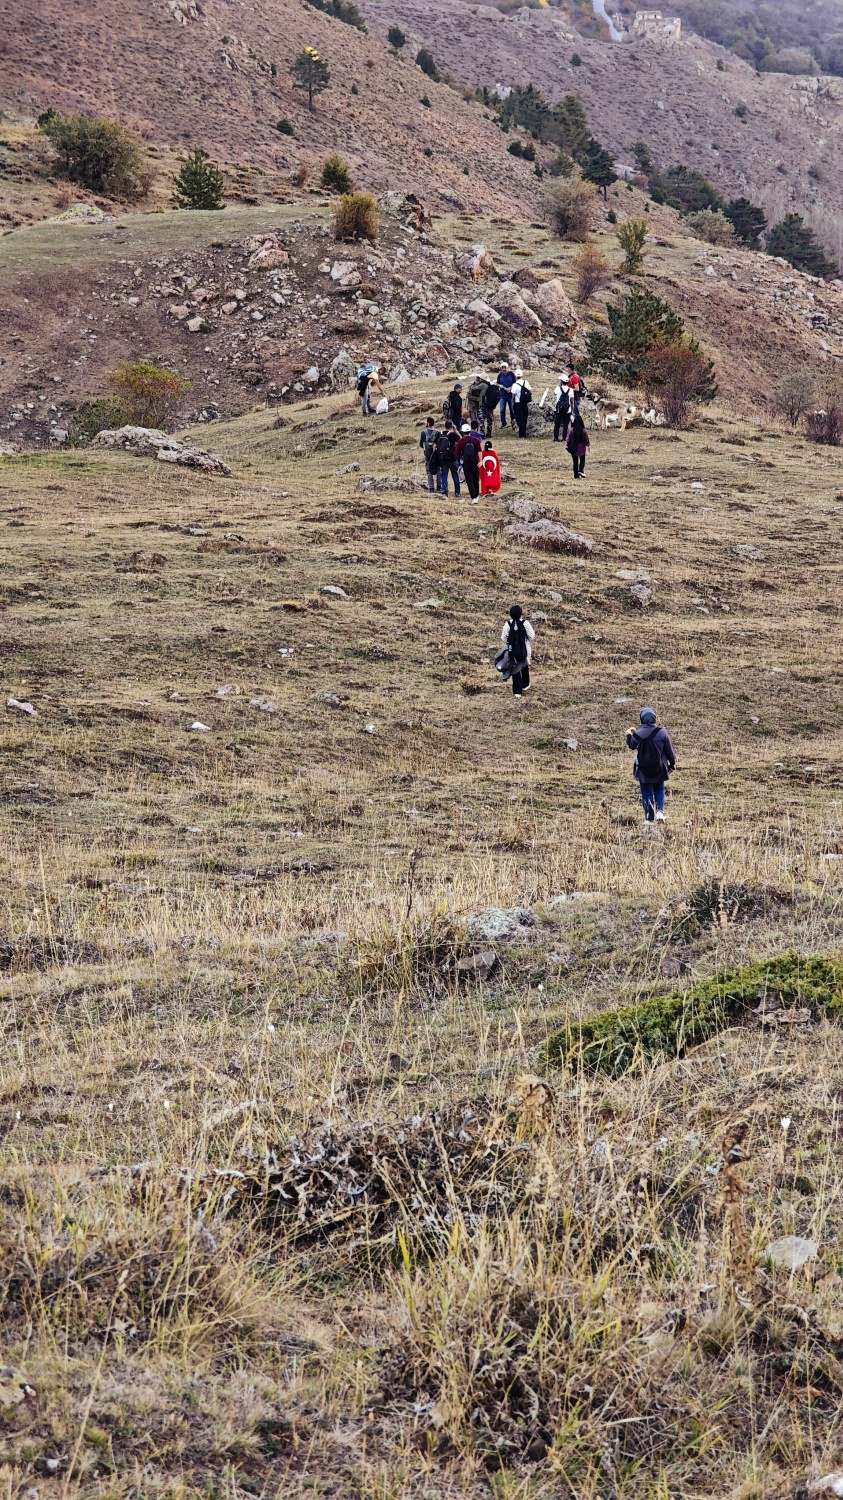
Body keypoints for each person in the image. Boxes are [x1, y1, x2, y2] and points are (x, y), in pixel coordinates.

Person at [626, 707, 676, 824]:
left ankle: (649, 819)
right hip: (659, 769)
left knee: (647, 793)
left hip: (643, 770)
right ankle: (659, 813)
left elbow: (632, 745)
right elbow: (670, 752)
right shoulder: (662, 732)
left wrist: (629, 735)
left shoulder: (637, 734)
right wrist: (672, 765)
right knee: (659, 788)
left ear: (642, 719)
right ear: (654, 718)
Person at [500, 604, 535, 697]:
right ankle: (525, 684)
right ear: (520, 614)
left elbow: (503, 638)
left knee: (515, 669)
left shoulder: (508, 624)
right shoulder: (525, 623)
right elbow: (532, 636)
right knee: (524, 666)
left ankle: (517, 691)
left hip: (512, 651)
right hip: (525, 649)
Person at [456, 422, 482, 502]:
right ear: (470, 431)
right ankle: (477, 495)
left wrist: (459, 463)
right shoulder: (476, 440)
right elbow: (479, 451)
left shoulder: (460, 442)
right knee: (476, 479)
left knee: (469, 480)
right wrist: (480, 461)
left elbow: (457, 453)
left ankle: (473, 497)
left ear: (463, 432)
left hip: (466, 463)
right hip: (475, 462)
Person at [436, 421, 460, 496]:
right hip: (452, 458)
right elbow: (460, 439)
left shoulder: (439, 434)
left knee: (444, 475)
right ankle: (457, 492)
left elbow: (435, 445)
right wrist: (455, 430)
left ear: (444, 425)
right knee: (455, 475)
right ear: (451, 426)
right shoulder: (452, 435)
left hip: (442, 458)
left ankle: (445, 491)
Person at [419, 415, 440, 492]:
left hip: (428, 455)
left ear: (428, 423)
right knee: (438, 470)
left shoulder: (423, 433)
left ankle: (431, 487)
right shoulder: (438, 432)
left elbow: (421, 444)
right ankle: (439, 486)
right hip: (437, 455)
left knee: (429, 471)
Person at [566, 411, 590, 478]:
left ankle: (576, 475)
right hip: (582, 449)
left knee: (575, 462)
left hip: (574, 449)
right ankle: (581, 470)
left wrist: (567, 445)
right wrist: (588, 445)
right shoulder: (584, 431)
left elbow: (568, 439)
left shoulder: (572, 430)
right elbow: (586, 440)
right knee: (582, 460)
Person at [512, 369, 532, 438]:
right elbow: (530, 392)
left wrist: (513, 402)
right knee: (524, 417)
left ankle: (521, 433)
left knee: (519, 418)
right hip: (525, 402)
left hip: (518, 403)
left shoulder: (515, 385)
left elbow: (513, 395)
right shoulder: (526, 382)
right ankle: (524, 432)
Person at [553, 378, 571, 444]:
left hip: (558, 409)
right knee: (565, 424)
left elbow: (554, 393)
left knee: (557, 424)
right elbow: (571, 400)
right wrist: (571, 409)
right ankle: (564, 437)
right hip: (567, 410)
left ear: (561, 381)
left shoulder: (557, 388)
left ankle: (556, 437)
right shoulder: (570, 390)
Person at [498, 362, 516, 427]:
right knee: (502, 410)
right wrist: (500, 386)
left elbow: (515, 383)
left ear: (507, 368)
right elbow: (497, 383)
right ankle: (503, 424)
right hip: (502, 395)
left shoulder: (511, 374)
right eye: (502, 368)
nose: (504, 369)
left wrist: (510, 388)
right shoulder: (500, 375)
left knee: (512, 410)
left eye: (505, 368)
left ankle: (513, 423)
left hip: (510, 395)